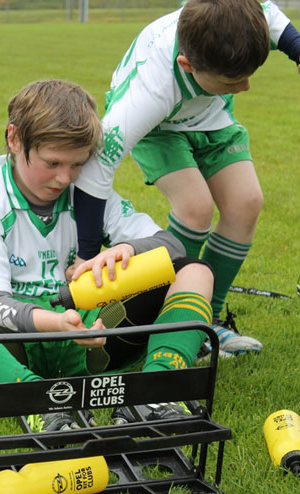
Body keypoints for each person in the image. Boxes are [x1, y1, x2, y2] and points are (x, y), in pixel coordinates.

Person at [0, 79, 215, 432]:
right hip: (14, 343)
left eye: (77, 164)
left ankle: (156, 389)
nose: (65, 177)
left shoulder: (88, 191)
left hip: (95, 335)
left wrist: (127, 249)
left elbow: (172, 246)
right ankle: (30, 395)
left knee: (195, 271)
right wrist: (56, 324)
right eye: (53, 163)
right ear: (14, 139)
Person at [73, 0, 300, 356]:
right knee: (195, 208)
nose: (245, 87)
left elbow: (269, 15)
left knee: (246, 203)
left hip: (210, 116)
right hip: (161, 130)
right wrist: (85, 257)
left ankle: (206, 321)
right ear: (187, 64)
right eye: (232, 80)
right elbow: (96, 167)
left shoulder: (237, 19)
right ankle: (173, 320)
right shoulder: (148, 94)